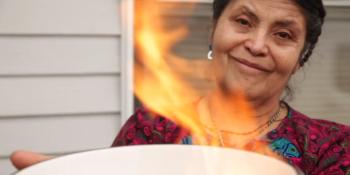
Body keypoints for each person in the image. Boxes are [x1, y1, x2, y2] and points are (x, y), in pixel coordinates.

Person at [11, 0, 350, 174]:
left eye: (284, 34)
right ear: (213, 31)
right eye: (243, 22)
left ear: (301, 58)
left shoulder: (332, 148)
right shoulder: (150, 129)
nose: (258, 44)